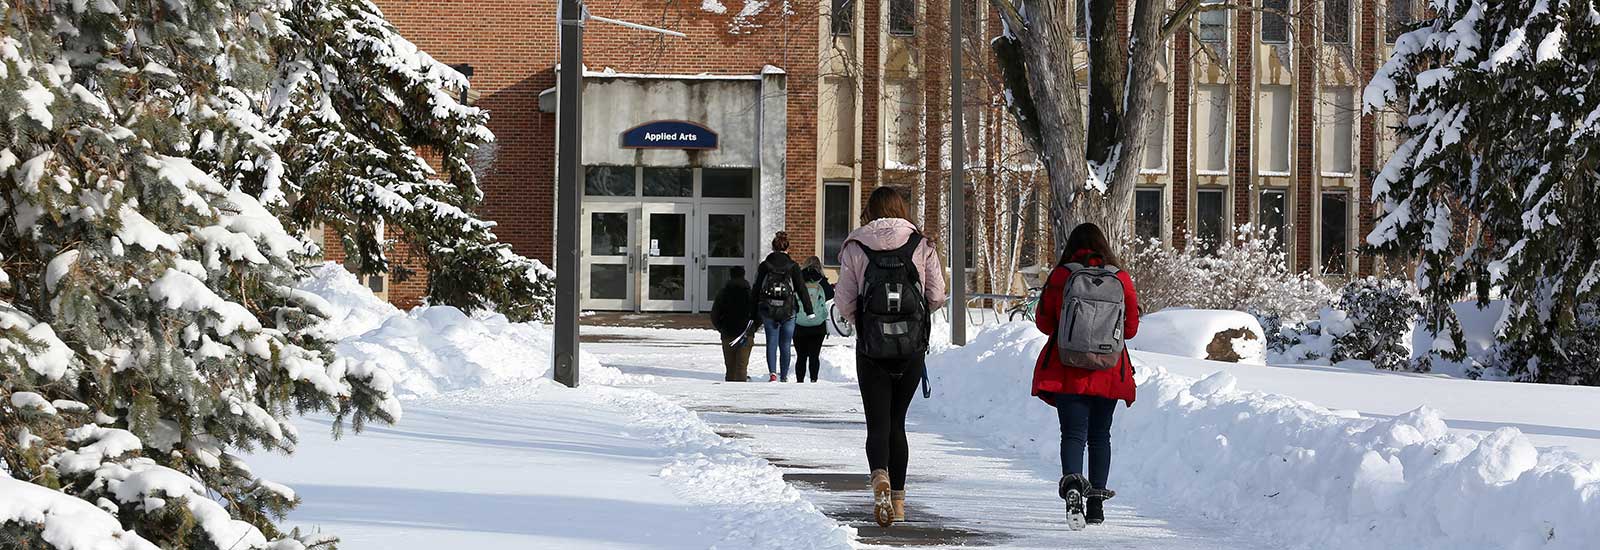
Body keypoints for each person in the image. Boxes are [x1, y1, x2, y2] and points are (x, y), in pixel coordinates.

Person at [835, 187, 947, 527]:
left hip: (872, 348)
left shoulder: (855, 246)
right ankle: (898, 502)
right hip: (910, 349)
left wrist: (864, 322)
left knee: (877, 424)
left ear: (870, 210)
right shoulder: (921, 244)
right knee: (898, 424)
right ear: (902, 209)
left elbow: (844, 301)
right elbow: (937, 295)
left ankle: (879, 476)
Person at [1031, 222, 1140, 529]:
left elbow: (1043, 322)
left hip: (1068, 367)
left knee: (1073, 434)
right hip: (1109, 369)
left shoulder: (1063, 275)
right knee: (1100, 436)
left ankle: (1073, 489)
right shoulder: (1120, 278)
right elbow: (1130, 329)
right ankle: (1096, 506)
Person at [751, 231, 813, 382]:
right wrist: (809, 309)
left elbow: (757, 288)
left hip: (768, 309)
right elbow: (801, 289)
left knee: (771, 342)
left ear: (773, 248)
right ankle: (784, 376)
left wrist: (752, 309)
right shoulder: (793, 266)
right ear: (788, 248)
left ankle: (773, 373)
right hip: (788, 309)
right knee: (785, 344)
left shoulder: (765, 265)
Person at [709, 265, 757, 382]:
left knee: (730, 368)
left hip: (728, 333)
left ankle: (729, 392)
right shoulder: (750, 294)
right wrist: (752, 328)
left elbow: (714, 314)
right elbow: (758, 314)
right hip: (746, 334)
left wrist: (722, 328)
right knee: (741, 367)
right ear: (743, 275)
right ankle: (740, 394)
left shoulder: (723, 293)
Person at [792, 256, 834, 383]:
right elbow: (830, 295)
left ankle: (800, 381)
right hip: (818, 325)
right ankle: (814, 380)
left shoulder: (798, 278)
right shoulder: (821, 281)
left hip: (799, 323)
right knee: (814, 356)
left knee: (801, 356)